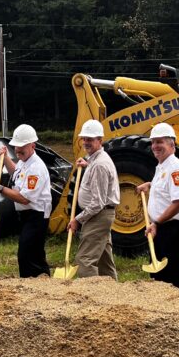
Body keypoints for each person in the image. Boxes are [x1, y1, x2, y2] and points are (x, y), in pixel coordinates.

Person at [137, 123, 179, 289]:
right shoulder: (163, 166)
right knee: (160, 276)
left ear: (172, 144)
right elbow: (167, 189)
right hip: (164, 227)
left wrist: (157, 223)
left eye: (160, 142)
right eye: (153, 142)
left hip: (175, 230)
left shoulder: (176, 169)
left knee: (176, 277)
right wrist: (150, 185)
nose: (155, 146)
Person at [0, 124, 51, 277]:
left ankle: (31, 281)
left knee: (26, 252)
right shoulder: (24, 161)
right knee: (34, 252)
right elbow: (17, 173)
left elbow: (25, 198)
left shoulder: (36, 167)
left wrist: (1, 189)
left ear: (32, 145)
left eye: (21, 148)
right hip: (27, 215)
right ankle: (42, 279)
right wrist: (6, 158)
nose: (18, 151)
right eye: (16, 147)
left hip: (37, 215)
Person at [67, 119, 119, 279]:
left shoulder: (99, 165)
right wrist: (87, 163)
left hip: (98, 215)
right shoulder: (95, 161)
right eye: (84, 139)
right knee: (104, 261)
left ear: (100, 141)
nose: (86, 142)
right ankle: (114, 294)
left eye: (90, 139)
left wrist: (78, 219)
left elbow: (97, 202)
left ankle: (91, 297)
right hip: (101, 214)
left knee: (85, 260)